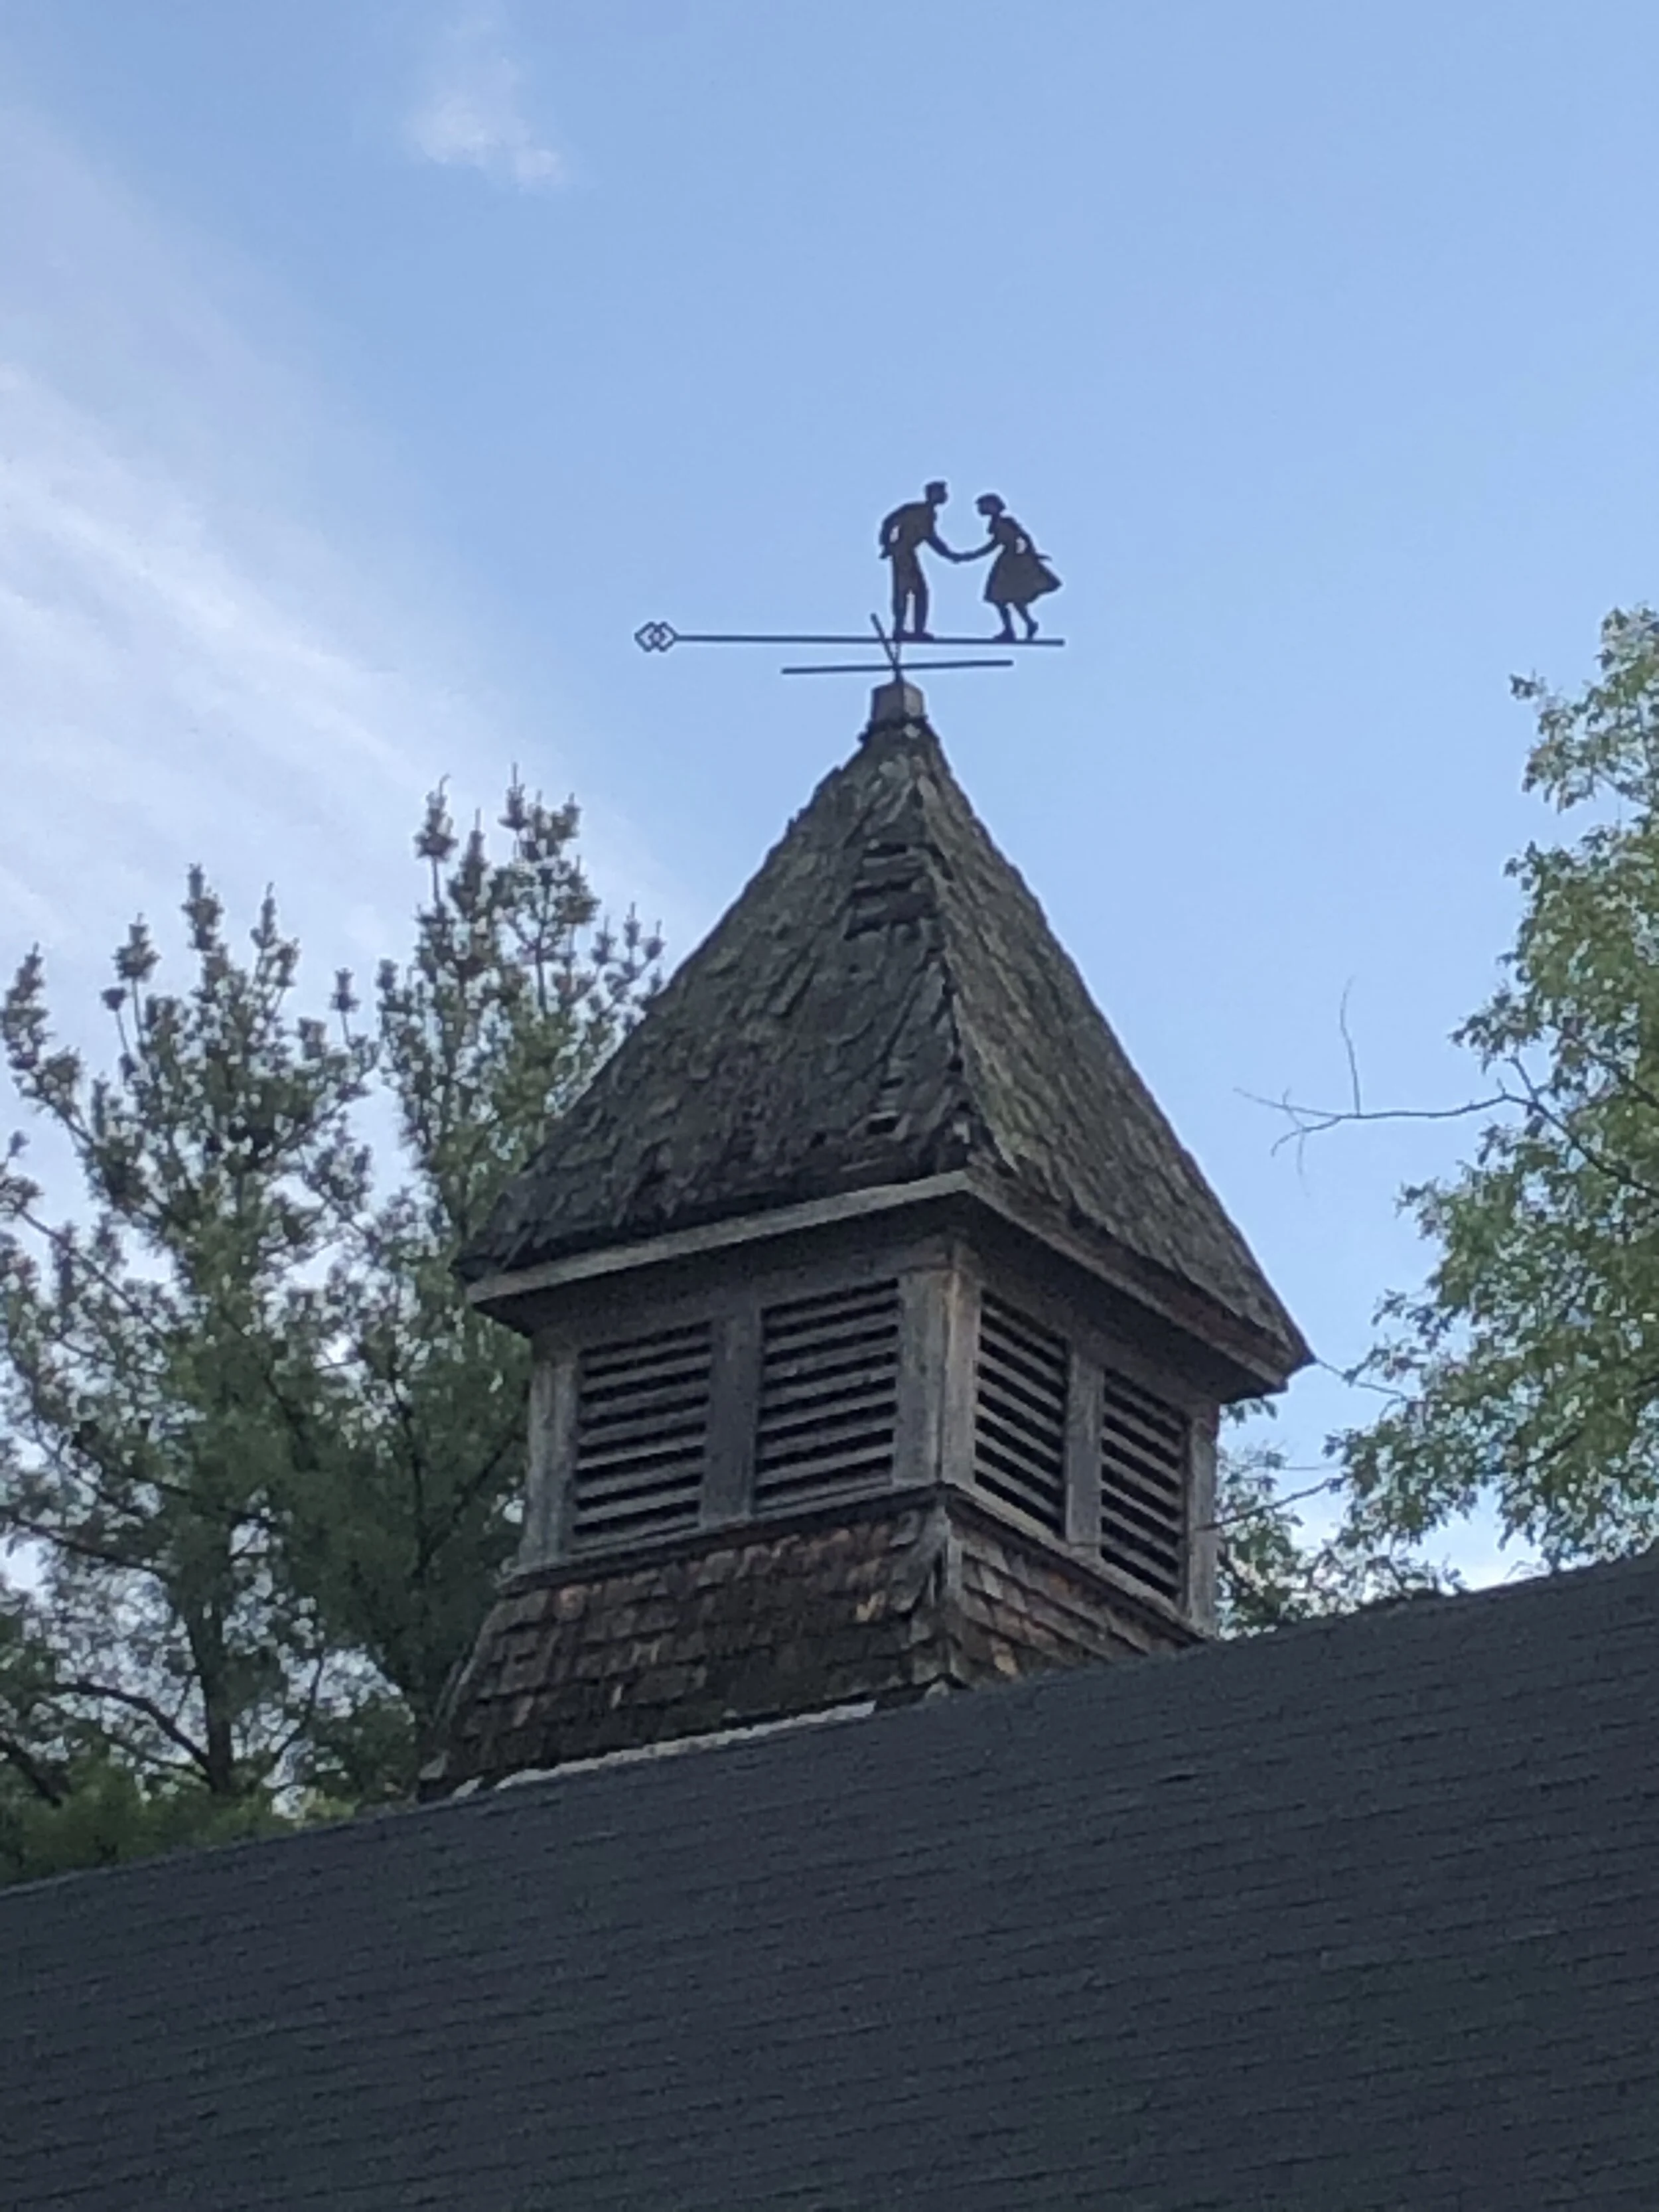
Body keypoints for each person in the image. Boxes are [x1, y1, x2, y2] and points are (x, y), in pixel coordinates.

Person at [958, 494, 1061, 640]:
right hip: (1008, 562)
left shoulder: (1004, 523)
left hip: (1012, 564)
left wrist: (1031, 554)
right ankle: (1020, 626)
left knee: (1004, 597)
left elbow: (1018, 538)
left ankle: (1016, 628)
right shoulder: (997, 523)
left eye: (984, 506)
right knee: (1008, 598)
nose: (981, 509)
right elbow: (1005, 541)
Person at [878, 481, 963, 641]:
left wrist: (950, 555)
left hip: (908, 553)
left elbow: (930, 537)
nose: (945, 496)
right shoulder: (916, 510)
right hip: (903, 554)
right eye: (941, 493)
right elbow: (889, 522)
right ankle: (901, 629)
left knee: (916, 592)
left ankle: (915, 629)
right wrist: (887, 544)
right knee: (907, 591)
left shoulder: (929, 514)